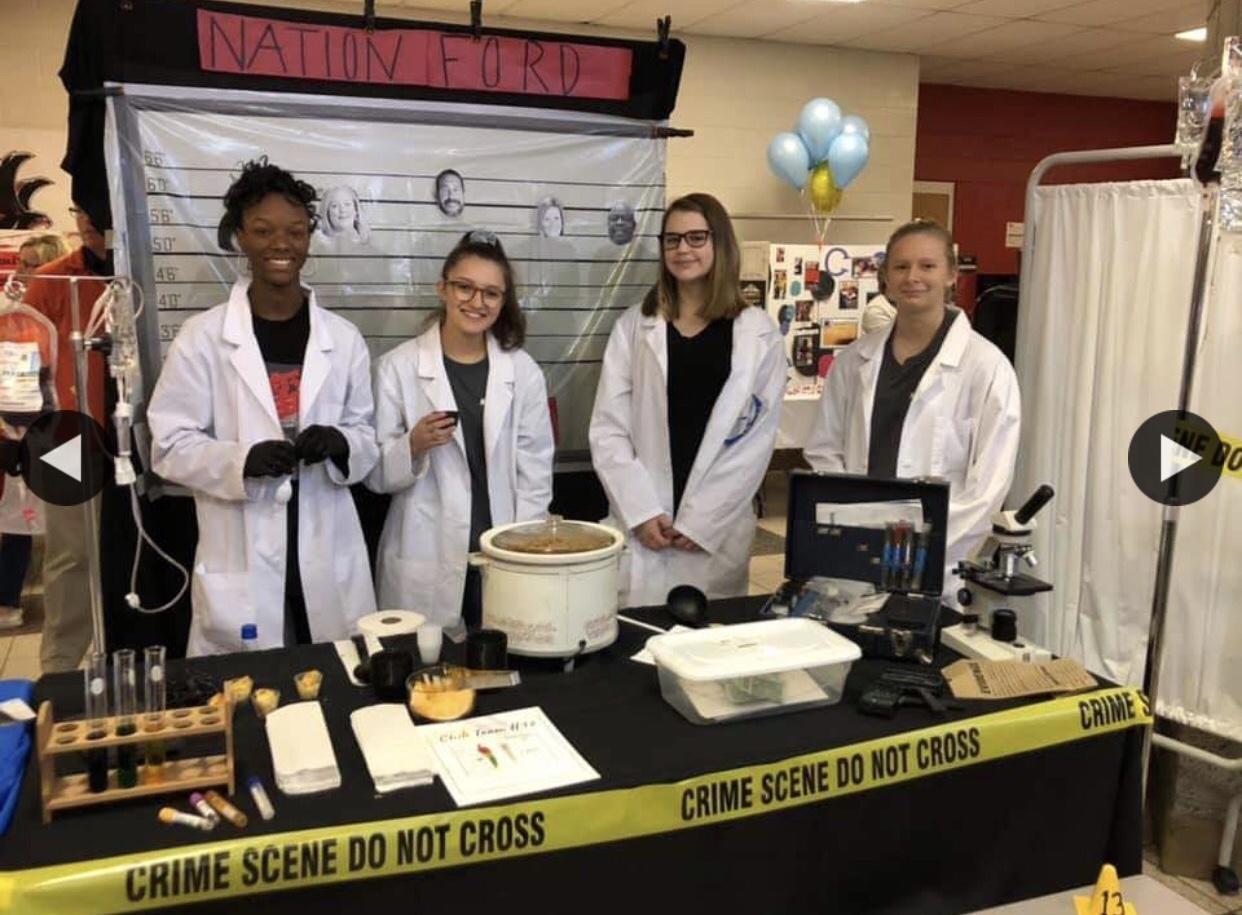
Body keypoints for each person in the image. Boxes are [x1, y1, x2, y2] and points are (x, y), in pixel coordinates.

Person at [148, 159, 378, 655]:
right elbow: (168, 444)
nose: (281, 244)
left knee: (337, 677)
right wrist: (240, 460)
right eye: (263, 230)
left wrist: (341, 443)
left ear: (309, 238)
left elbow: (365, 435)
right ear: (240, 237)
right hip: (242, 550)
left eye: (295, 231)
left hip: (324, 549)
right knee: (250, 688)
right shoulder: (203, 337)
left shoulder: (343, 339)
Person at [803, 219, 1021, 602]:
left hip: (940, 559)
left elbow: (988, 486)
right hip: (858, 550)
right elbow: (825, 450)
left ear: (951, 275)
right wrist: (856, 525)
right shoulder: (855, 360)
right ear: (886, 278)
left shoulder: (987, 367)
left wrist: (920, 546)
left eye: (927, 266)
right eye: (901, 267)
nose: (912, 277)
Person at [590, 193, 784, 607]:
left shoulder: (758, 334)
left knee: (707, 636)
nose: (683, 249)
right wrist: (640, 511)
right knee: (639, 633)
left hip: (713, 532)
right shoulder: (634, 327)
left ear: (720, 243)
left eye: (696, 237)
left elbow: (755, 442)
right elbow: (608, 428)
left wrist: (703, 520)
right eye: (672, 239)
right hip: (644, 525)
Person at [367, 230, 554, 628]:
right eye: (464, 287)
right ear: (443, 288)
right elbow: (375, 475)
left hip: (502, 551)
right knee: (426, 659)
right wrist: (412, 446)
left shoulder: (523, 372)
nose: (476, 302)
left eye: (491, 293)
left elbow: (535, 471)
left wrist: (524, 545)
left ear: (503, 301)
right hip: (425, 552)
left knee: (506, 652)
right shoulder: (398, 368)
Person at [22, 209, 110, 671]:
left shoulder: (141, 273)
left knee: (133, 551)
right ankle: (59, 668)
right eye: (82, 211)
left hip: (139, 439)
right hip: (66, 440)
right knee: (70, 557)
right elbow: (20, 359)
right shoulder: (55, 279)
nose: (90, 220)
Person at [0, 234, 69, 630]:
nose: (23, 272)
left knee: (68, 523)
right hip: (22, 429)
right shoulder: (14, 318)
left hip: (65, 428)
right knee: (18, 520)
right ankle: (7, 600)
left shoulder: (62, 310)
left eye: (32, 264)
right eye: (21, 263)